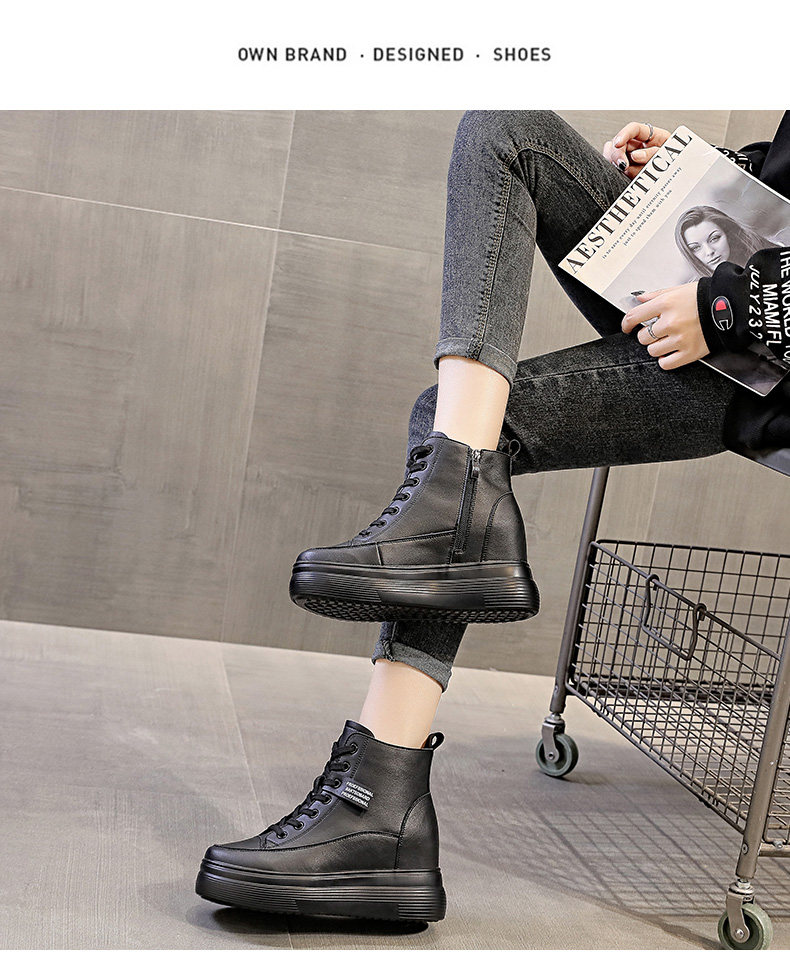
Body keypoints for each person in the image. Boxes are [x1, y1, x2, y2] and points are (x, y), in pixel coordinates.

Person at [195, 111, 790, 924]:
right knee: (506, 134)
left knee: (462, 427)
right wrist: (705, 172)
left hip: (763, 358)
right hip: (731, 283)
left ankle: (379, 802)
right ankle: (454, 525)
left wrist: (726, 305)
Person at [675, 205, 779, 278]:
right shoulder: (703, 295)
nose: (709, 251)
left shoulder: (774, 254)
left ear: (727, 233)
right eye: (695, 248)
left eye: (714, 238)